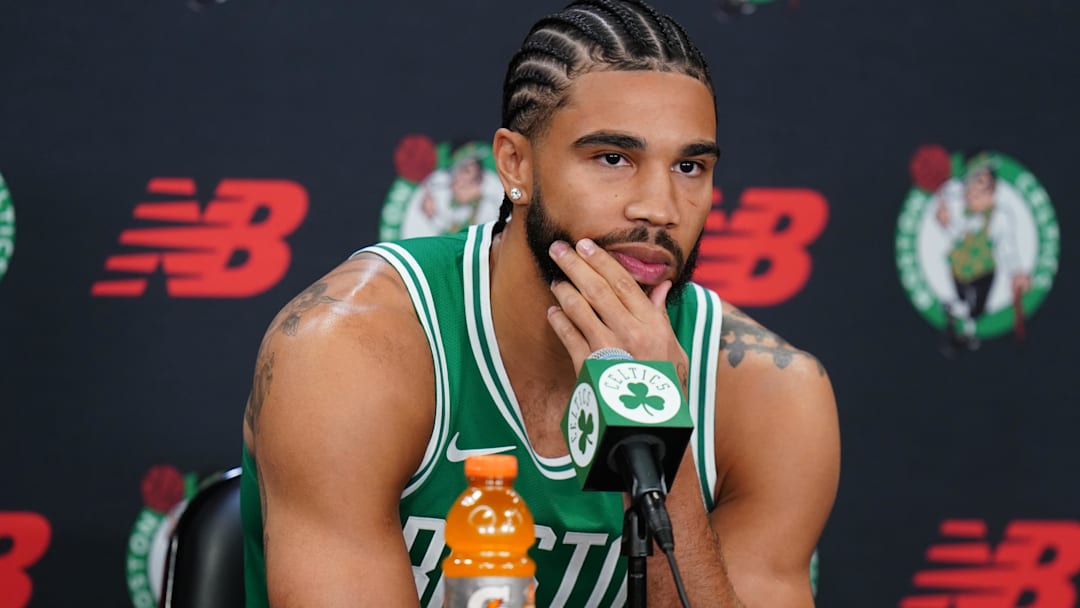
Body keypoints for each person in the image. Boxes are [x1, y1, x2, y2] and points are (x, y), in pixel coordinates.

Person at [240, 1, 840, 606]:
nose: (660, 207)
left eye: (690, 166)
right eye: (613, 159)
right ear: (515, 164)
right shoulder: (349, 349)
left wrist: (660, 438)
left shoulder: (770, 395)